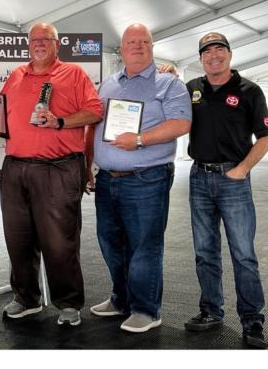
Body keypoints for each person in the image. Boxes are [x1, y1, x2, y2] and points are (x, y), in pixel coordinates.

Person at [0, 22, 103, 327]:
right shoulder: (16, 76)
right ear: (28, 44)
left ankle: (68, 303)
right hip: (16, 168)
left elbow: (94, 112)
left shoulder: (74, 74)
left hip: (58, 168)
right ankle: (26, 298)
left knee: (59, 241)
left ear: (57, 44)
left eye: (45, 40)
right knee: (18, 238)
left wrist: (60, 121)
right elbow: (1, 115)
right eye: (34, 39)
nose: (39, 44)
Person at [87, 23, 191, 333]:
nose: (138, 46)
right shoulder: (108, 84)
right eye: (131, 41)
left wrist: (141, 139)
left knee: (144, 246)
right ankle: (121, 299)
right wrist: (91, 166)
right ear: (122, 49)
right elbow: (94, 127)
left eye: (144, 41)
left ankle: (146, 310)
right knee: (110, 243)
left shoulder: (169, 84)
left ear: (152, 46)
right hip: (107, 179)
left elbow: (181, 123)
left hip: (147, 178)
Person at [184, 32, 268, 348]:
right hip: (198, 178)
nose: (213, 55)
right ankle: (211, 311)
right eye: (207, 51)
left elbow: (264, 136)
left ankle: (252, 320)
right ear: (201, 57)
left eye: (220, 49)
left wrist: (242, 169)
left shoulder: (250, 91)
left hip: (234, 179)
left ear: (229, 55)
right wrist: (164, 74)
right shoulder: (191, 88)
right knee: (205, 252)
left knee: (243, 254)